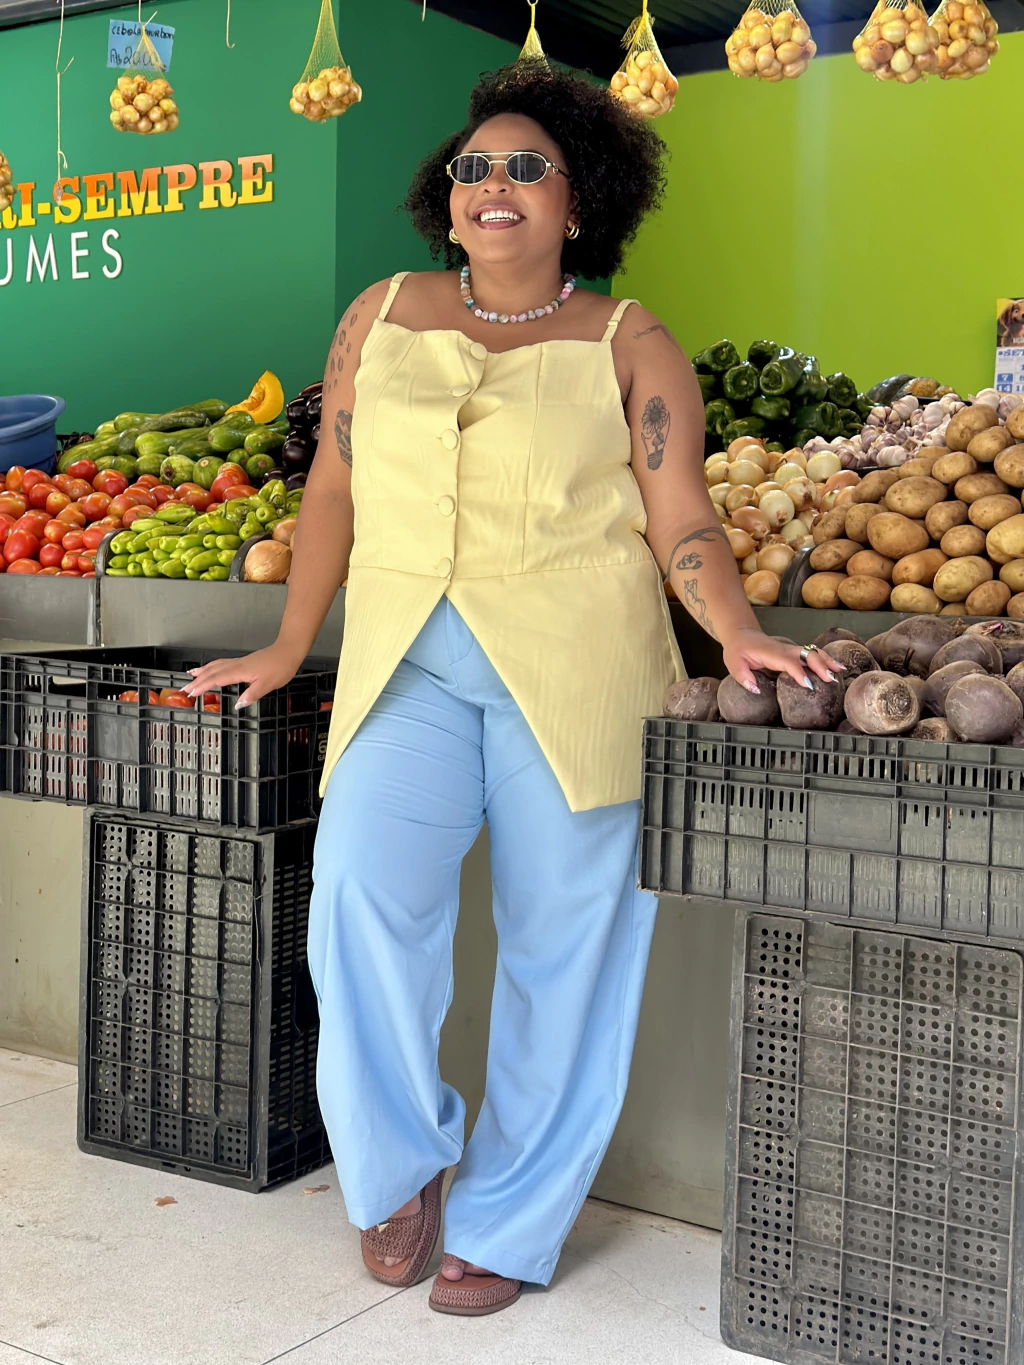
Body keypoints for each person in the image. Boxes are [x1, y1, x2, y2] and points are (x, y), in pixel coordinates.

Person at [186, 60, 838, 1317]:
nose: (494, 185)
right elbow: (334, 489)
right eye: (473, 167)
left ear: (577, 202)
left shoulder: (630, 341)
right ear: (447, 198)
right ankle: (399, 1167)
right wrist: (287, 642)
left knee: (566, 953)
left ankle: (512, 1216)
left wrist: (735, 631)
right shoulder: (381, 313)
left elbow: (680, 514)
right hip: (407, 665)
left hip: (582, 670)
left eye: (527, 167)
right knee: (358, 901)